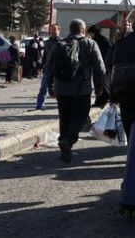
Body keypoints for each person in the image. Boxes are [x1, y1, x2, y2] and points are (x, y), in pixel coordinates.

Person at [45, 19, 106, 163]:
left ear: (70, 30)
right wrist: (99, 87)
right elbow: (100, 68)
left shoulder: (59, 44)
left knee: (64, 117)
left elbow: (49, 67)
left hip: (61, 88)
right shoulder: (90, 44)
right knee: (81, 116)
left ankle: (65, 147)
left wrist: (50, 86)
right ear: (83, 31)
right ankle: (68, 140)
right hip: (82, 89)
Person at [35, 24, 61, 110]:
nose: (52, 31)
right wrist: (41, 67)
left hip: (58, 70)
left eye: (54, 29)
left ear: (58, 30)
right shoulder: (47, 42)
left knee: (59, 89)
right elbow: (45, 56)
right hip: (48, 69)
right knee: (43, 88)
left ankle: (61, 106)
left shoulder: (62, 42)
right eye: (51, 29)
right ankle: (39, 106)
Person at [87, 25, 111, 108]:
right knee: (98, 83)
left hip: (103, 66)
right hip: (100, 65)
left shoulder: (101, 41)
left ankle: (102, 101)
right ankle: (99, 101)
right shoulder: (101, 40)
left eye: (91, 33)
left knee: (102, 84)